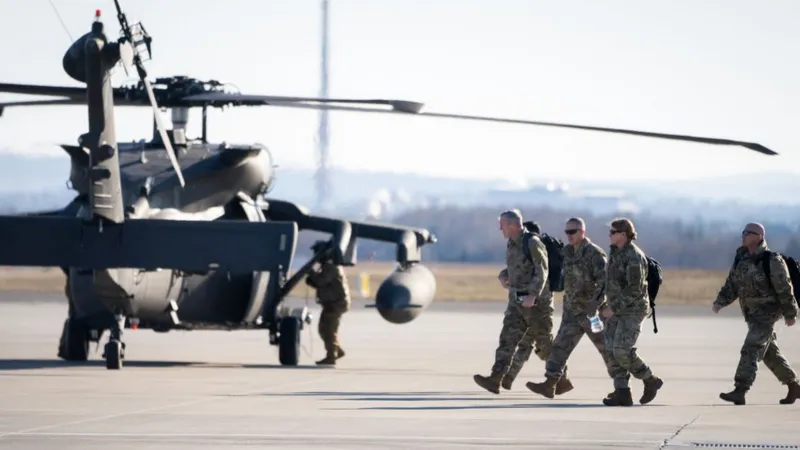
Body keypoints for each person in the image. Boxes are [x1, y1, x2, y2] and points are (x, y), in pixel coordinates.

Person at [525, 217, 615, 398]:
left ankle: (623, 387)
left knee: (607, 350)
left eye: (572, 232)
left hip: (592, 314)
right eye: (567, 232)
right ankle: (550, 383)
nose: (569, 236)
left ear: (582, 232)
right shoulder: (567, 253)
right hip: (572, 313)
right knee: (559, 349)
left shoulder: (594, 254)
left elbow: (606, 282)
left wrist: (597, 304)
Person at [474, 209, 561, 394]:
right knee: (507, 339)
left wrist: (533, 295)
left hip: (536, 304)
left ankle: (559, 379)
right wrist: (504, 275)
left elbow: (542, 270)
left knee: (544, 344)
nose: (500, 228)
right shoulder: (512, 244)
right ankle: (495, 378)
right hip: (517, 301)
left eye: (502, 225)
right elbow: (516, 267)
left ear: (513, 225)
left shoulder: (532, 242)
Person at [712, 222, 800, 405]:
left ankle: (740, 389)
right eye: (743, 232)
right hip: (751, 313)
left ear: (759, 236)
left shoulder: (772, 260)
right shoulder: (741, 258)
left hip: (768, 313)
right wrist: (720, 301)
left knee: (751, 348)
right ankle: (794, 385)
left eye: (747, 233)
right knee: (769, 353)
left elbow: (784, 288)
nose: (743, 235)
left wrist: (790, 313)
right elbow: (732, 284)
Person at [600, 217, 663, 406]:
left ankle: (650, 379)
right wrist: (603, 303)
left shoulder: (634, 256)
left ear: (623, 234)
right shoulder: (615, 253)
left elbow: (635, 289)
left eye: (612, 232)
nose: (609, 235)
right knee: (611, 350)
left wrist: (614, 307)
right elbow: (611, 282)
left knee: (621, 349)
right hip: (615, 309)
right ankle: (622, 392)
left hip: (632, 310)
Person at [306, 241, 351, 366]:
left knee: (328, 330)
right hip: (331, 303)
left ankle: (332, 356)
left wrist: (311, 273)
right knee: (323, 329)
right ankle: (336, 350)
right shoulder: (328, 266)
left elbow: (321, 281)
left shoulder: (330, 267)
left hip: (335, 304)